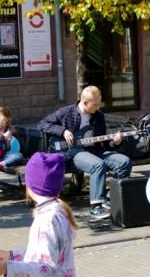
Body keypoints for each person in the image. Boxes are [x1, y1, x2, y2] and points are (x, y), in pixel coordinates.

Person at [38, 86, 132, 220]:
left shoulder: (98, 115)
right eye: (95, 104)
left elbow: (104, 143)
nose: (98, 107)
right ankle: (96, 207)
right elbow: (42, 124)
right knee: (97, 165)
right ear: (84, 102)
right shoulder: (66, 112)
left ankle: (113, 198)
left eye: (99, 103)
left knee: (124, 162)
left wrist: (116, 143)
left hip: (95, 150)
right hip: (74, 153)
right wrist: (63, 131)